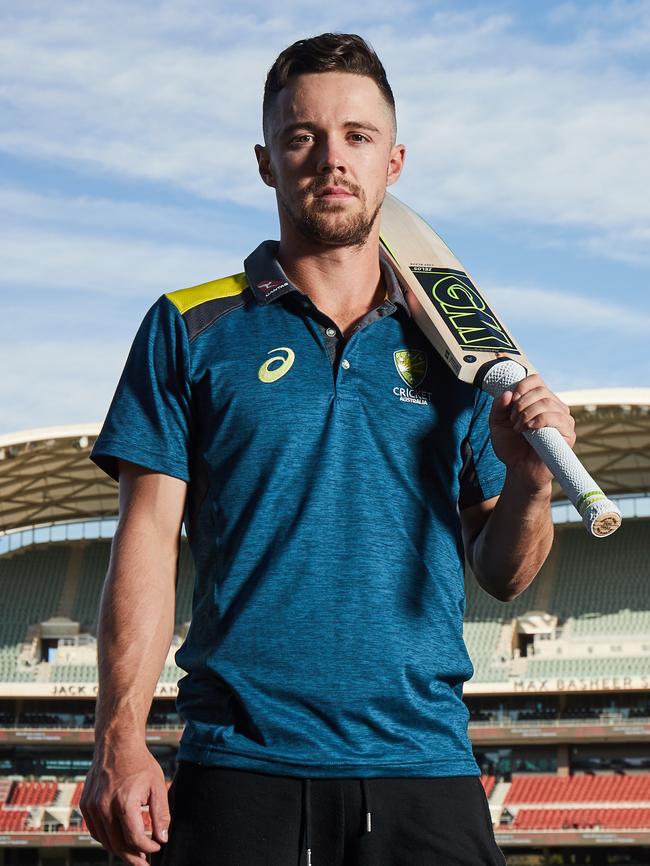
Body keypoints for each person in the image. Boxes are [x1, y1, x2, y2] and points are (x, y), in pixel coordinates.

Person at [80, 32, 575, 866]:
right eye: (302, 136)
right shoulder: (189, 326)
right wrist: (116, 739)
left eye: (358, 136)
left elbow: (504, 572)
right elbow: (146, 541)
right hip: (241, 768)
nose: (330, 159)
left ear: (395, 161)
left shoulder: (464, 348)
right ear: (267, 161)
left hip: (425, 767)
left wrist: (529, 480)